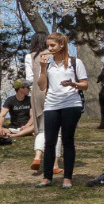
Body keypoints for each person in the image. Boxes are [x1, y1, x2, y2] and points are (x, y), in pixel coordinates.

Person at [35, 32, 87, 189]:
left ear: (61, 45)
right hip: (51, 104)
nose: (49, 49)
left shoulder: (75, 62)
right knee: (49, 141)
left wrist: (73, 84)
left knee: (67, 140)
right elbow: (42, 86)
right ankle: (47, 177)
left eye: (52, 45)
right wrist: (43, 69)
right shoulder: (48, 64)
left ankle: (67, 178)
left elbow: (85, 84)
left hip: (71, 104)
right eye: (48, 46)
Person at [25, 34, 62, 174]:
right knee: (57, 131)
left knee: (41, 128)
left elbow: (29, 79)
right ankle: (55, 164)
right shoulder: (53, 54)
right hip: (52, 89)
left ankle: (37, 156)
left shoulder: (30, 56)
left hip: (37, 91)